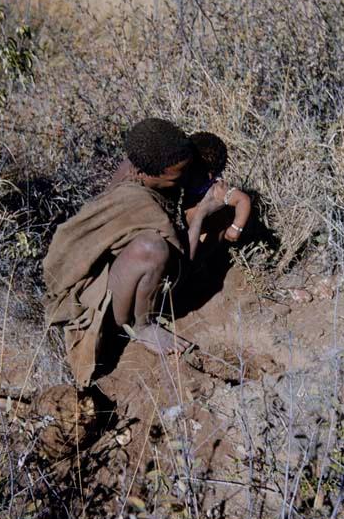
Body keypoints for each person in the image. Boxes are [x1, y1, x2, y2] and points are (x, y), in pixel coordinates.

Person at [43, 118, 229, 388]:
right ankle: (142, 325)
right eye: (177, 176)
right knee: (152, 250)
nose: (182, 178)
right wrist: (201, 215)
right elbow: (183, 267)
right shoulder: (140, 202)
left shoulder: (140, 164)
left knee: (151, 247)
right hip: (95, 298)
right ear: (149, 173)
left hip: (109, 273)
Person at [183, 131, 251, 246]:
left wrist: (236, 228)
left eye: (193, 170)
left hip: (209, 235)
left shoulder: (217, 189)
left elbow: (243, 200)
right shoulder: (187, 182)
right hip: (194, 229)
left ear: (210, 174)